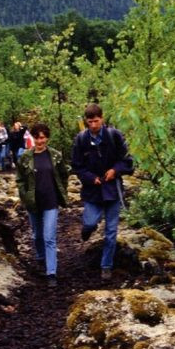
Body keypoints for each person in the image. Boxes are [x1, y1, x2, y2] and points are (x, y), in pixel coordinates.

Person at [71, 104, 133, 280]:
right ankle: (87, 230)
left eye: (96, 121)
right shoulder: (81, 139)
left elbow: (127, 160)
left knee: (111, 231)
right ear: (86, 121)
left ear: (102, 118)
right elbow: (77, 166)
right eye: (90, 122)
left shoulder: (115, 135)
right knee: (90, 222)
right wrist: (90, 178)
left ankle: (106, 266)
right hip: (92, 190)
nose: (93, 125)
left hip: (112, 189)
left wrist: (115, 170)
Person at [16, 123, 69, 287]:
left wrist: (62, 192)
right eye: (37, 137)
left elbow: (64, 174)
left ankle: (51, 272)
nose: (41, 141)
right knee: (37, 235)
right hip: (33, 202)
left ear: (47, 137)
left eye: (43, 137)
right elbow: (20, 179)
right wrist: (25, 196)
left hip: (51, 201)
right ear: (33, 137)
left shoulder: (55, 155)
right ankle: (40, 257)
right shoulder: (25, 157)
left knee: (49, 237)